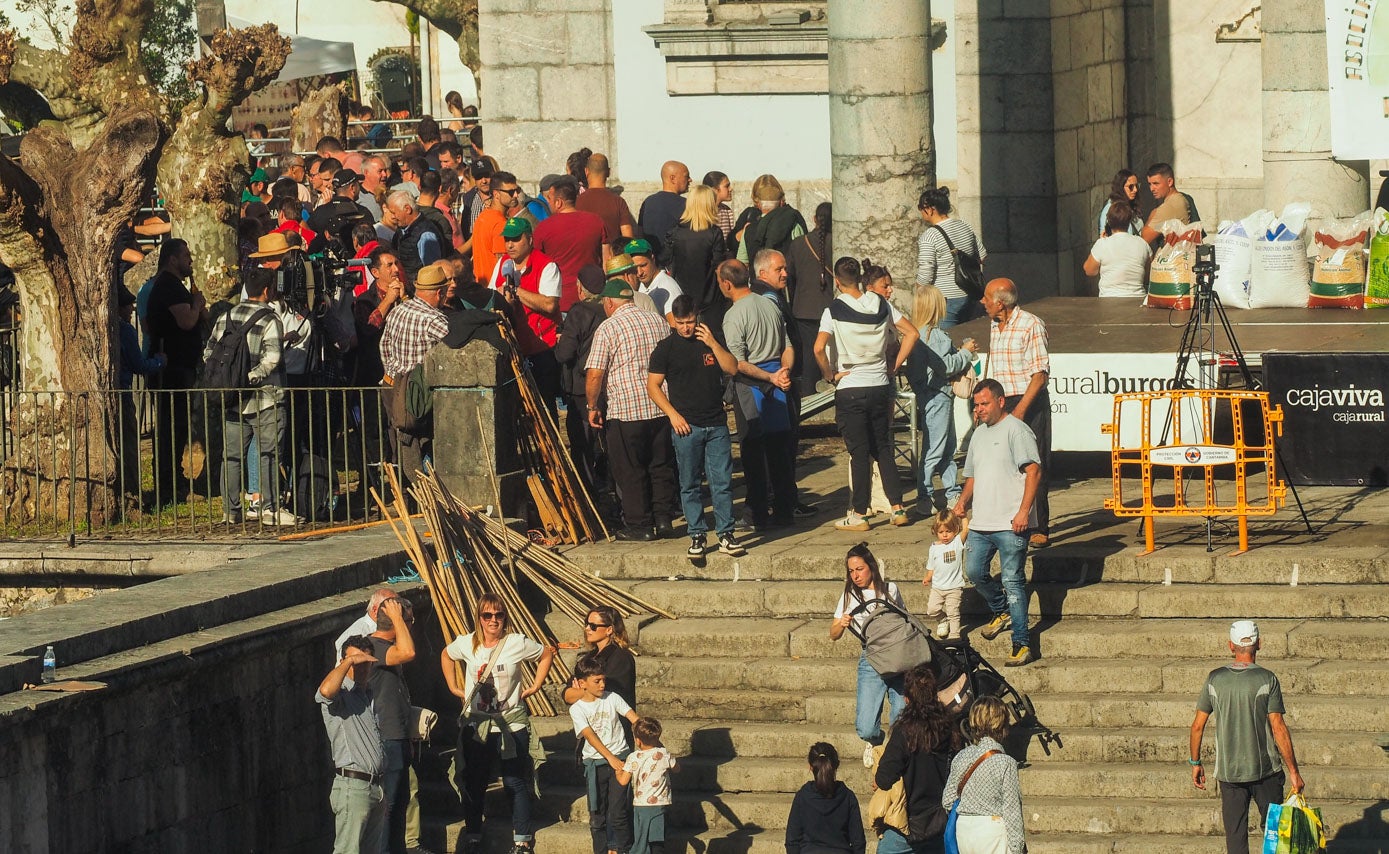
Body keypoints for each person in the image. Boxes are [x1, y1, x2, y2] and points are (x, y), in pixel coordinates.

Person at [441, 593, 556, 854]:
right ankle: (472, 834)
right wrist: (454, 687)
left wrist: (536, 685)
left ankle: (522, 840)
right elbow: (446, 655)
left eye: (499, 615)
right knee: (475, 781)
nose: (494, 620)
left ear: (505, 617)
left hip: (511, 723)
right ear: (479, 618)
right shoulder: (468, 643)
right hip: (479, 724)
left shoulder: (516, 642)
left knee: (515, 781)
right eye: (488, 615)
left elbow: (546, 654)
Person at [813, 257, 918, 532]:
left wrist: (828, 374)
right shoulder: (880, 303)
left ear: (837, 281)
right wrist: (894, 365)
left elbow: (818, 348)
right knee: (884, 447)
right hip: (880, 383)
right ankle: (897, 508)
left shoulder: (833, 309)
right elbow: (912, 333)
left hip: (851, 385)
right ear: (860, 278)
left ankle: (860, 513)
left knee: (859, 453)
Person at [1190, 620, 1305, 854]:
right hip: (1267, 772)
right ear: (1259, 644)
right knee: (1275, 836)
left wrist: (1196, 762)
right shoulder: (1267, 679)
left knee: (1236, 838)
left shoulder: (1214, 679)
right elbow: (1278, 727)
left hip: (1229, 773)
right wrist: (1294, 771)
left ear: (1231, 646)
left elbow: (1197, 727)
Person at [647, 294, 745, 559]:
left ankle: (726, 533)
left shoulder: (708, 341)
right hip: (686, 426)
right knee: (689, 484)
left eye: (689, 321)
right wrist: (672, 415)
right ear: (674, 322)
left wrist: (712, 343)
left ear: (696, 318)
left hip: (716, 424)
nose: (686, 328)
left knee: (722, 482)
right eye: (680, 323)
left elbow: (732, 368)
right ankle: (697, 535)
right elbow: (653, 386)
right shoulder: (665, 348)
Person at [952, 379, 1041, 667]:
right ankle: (999, 610)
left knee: (1013, 581)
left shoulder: (1017, 430)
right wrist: (963, 502)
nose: (979, 409)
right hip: (982, 522)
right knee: (975, 571)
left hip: (1011, 522)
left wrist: (1024, 512)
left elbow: (1034, 472)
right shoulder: (978, 434)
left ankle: (1022, 643)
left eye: (984, 403)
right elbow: (973, 476)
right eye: (976, 404)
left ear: (1001, 401)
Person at [203, 268, 299, 526]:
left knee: (231, 456)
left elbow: (210, 351)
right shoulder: (270, 319)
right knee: (269, 452)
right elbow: (273, 358)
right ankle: (269, 508)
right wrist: (251, 377)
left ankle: (230, 510)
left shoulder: (227, 316)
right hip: (266, 398)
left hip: (232, 398)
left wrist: (229, 379)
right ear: (268, 290)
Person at [585, 277, 679, 541]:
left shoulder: (609, 328)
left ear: (610, 302)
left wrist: (592, 405)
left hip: (626, 410)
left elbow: (595, 374)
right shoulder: (657, 321)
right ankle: (663, 519)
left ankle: (639, 524)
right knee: (660, 465)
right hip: (661, 405)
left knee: (630, 468)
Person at [719, 259, 797, 530]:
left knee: (753, 453)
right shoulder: (769, 303)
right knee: (779, 451)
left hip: (753, 386)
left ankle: (758, 515)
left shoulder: (734, 315)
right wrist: (784, 371)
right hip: (778, 382)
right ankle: (785, 510)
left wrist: (770, 376)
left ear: (726, 284)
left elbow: (736, 363)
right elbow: (788, 345)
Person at [980, 277, 1051, 546]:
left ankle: (1039, 526)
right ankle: (1009, 521)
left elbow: (1039, 374)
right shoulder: (995, 325)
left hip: (1028, 401)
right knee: (1003, 466)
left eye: (987, 298)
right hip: (1001, 401)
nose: (983, 302)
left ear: (1000, 302)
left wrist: (1020, 411)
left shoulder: (1031, 325)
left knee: (1034, 464)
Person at [829, 542, 907, 764]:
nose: (855, 575)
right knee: (865, 727)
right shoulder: (849, 596)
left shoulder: (890, 589)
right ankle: (874, 742)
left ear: (871, 567)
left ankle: (893, 756)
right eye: (851, 571)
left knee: (901, 720)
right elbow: (833, 634)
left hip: (897, 655)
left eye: (859, 569)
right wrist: (841, 624)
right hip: (871, 657)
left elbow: (904, 620)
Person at [904, 285, 977, 512]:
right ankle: (925, 497)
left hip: (928, 395)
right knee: (937, 449)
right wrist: (966, 352)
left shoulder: (917, 334)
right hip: (939, 395)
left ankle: (950, 492)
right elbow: (946, 366)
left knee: (944, 447)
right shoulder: (935, 336)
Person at [144, 238, 206, 506]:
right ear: (172, 259)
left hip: (182, 367)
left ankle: (174, 481)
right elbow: (185, 321)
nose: (190, 260)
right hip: (172, 371)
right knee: (172, 427)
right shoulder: (168, 287)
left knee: (178, 427)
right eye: (186, 255)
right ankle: (169, 484)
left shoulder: (174, 287)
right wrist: (198, 304)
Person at [875, 664, 958, 854]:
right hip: (940, 822)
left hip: (907, 824)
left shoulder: (904, 732)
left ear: (906, 699)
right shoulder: (948, 729)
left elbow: (883, 779)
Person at [318, 635, 386, 854]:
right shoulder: (341, 695)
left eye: (365, 661)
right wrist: (348, 661)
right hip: (353, 785)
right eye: (357, 661)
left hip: (376, 786)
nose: (361, 666)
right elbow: (325, 692)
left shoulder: (368, 695)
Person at [488, 217, 563, 414]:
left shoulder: (547, 266)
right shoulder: (503, 263)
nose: (510, 245)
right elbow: (491, 296)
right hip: (512, 346)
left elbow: (549, 304)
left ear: (530, 239)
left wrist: (516, 291)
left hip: (541, 348)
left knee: (545, 407)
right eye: (507, 240)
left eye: (515, 239)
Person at [569, 653, 640, 854]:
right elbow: (589, 735)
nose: (602, 685)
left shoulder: (612, 698)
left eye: (603, 680)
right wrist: (610, 758)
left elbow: (632, 717)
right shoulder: (577, 709)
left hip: (621, 759)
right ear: (582, 683)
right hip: (597, 763)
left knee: (618, 812)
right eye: (597, 681)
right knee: (597, 815)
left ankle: (624, 849)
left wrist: (646, 735)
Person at [366, 597, 417, 854]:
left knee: (399, 805)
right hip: (387, 738)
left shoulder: (384, 646)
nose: (412, 626)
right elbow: (408, 653)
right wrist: (399, 619)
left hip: (399, 736)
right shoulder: (375, 647)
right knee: (389, 807)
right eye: (410, 621)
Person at [556, 265, 612, 496]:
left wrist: (559, 341)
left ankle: (587, 495)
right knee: (609, 443)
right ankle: (611, 489)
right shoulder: (609, 309)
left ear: (581, 288)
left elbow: (565, 354)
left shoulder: (579, 312)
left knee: (583, 445)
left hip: (582, 388)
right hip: (610, 386)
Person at [943, 697, 1025, 854]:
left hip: (964, 831)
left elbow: (947, 800)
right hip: (992, 832)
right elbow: (1012, 811)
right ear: (1002, 724)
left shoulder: (962, 756)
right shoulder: (1005, 763)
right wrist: (1017, 848)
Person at [535, 176, 611, 311]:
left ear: (558, 202)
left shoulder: (543, 228)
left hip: (559, 299)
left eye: (550, 200)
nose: (549, 203)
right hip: (593, 297)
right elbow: (607, 261)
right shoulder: (596, 221)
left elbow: (537, 266)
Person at [916, 187, 988, 328]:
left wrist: (918, 291)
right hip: (970, 294)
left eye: (920, 208)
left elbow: (926, 274)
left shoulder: (930, 236)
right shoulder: (965, 226)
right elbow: (982, 256)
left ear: (929, 209)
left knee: (945, 342)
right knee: (966, 338)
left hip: (945, 298)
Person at [785, 201, 836, 395]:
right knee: (831, 353)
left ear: (814, 219)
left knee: (808, 354)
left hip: (804, 308)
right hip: (831, 308)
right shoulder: (838, 242)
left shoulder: (798, 243)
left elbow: (790, 277)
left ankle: (808, 395)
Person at [664, 184, 730, 322]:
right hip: (710, 297)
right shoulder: (714, 233)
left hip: (681, 295)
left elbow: (665, 260)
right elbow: (718, 265)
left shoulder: (675, 232)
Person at [786, 742, 866, 854]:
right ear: (836, 766)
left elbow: (792, 840)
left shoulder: (802, 796)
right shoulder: (848, 797)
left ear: (810, 767)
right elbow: (858, 842)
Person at [616, 717, 679, 854]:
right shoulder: (664, 754)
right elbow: (677, 768)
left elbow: (623, 781)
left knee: (641, 839)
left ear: (637, 740)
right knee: (657, 838)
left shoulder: (633, 757)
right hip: (660, 805)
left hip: (641, 805)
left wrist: (618, 772)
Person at [562, 606, 638, 710]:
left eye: (593, 626)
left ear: (609, 629)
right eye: (587, 624)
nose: (587, 629)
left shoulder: (621, 658)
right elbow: (566, 695)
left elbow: (604, 691)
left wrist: (581, 690)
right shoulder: (588, 658)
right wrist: (586, 691)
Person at [1084, 201, 1152, 299]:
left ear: (1109, 221)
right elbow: (1148, 274)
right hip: (1137, 300)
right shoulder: (1142, 244)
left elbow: (1089, 271)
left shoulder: (1102, 244)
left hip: (1108, 301)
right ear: (1129, 221)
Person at [737, 174, 807, 264]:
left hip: (758, 277)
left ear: (759, 204)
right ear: (781, 202)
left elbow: (742, 262)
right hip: (787, 277)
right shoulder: (793, 225)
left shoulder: (749, 229)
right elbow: (802, 257)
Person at [922, 510, 967, 640]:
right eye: (941, 532)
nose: (945, 535)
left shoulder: (957, 542)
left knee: (953, 612)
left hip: (954, 587)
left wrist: (963, 517)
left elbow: (966, 530)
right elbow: (931, 566)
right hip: (937, 587)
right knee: (932, 610)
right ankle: (943, 620)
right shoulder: (934, 547)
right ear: (936, 532)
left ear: (955, 529)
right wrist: (928, 577)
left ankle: (955, 635)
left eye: (948, 531)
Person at [387, 191, 446, 286]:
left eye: (394, 213)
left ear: (407, 209)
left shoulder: (426, 236)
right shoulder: (402, 230)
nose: (392, 217)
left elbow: (432, 273)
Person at [637, 160, 690, 262]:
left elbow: (640, 234)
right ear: (673, 178)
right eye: (686, 176)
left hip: (651, 262)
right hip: (675, 265)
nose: (690, 180)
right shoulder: (687, 205)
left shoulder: (648, 201)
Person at [576, 152, 636, 241]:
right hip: (612, 254)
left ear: (586, 171)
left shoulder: (577, 201)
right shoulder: (618, 202)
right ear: (608, 172)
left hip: (585, 254)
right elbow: (628, 236)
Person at [624, 238, 684, 320]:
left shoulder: (668, 287)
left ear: (653, 259)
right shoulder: (642, 284)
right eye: (634, 268)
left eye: (643, 265)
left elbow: (675, 326)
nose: (639, 272)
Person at [1141, 162, 1196, 244]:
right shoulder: (1184, 198)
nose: (1152, 188)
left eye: (1156, 183)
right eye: (1150, 184)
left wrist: (1153, 213)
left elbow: (1145, 238)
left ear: (1170, 182)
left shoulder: (1169, 207)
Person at [1098, 169, 1143, 237]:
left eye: (1137, 186)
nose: (1135, 190)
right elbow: (1104, 235)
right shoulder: (1111, 208)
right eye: (1131, 187)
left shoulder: (1132, 205)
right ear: (1121, 187)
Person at [702, 170, 735, 240]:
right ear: (715, 189)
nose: (731, 189)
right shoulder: (701, 210)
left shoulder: (727, 210)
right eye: (727, 186)